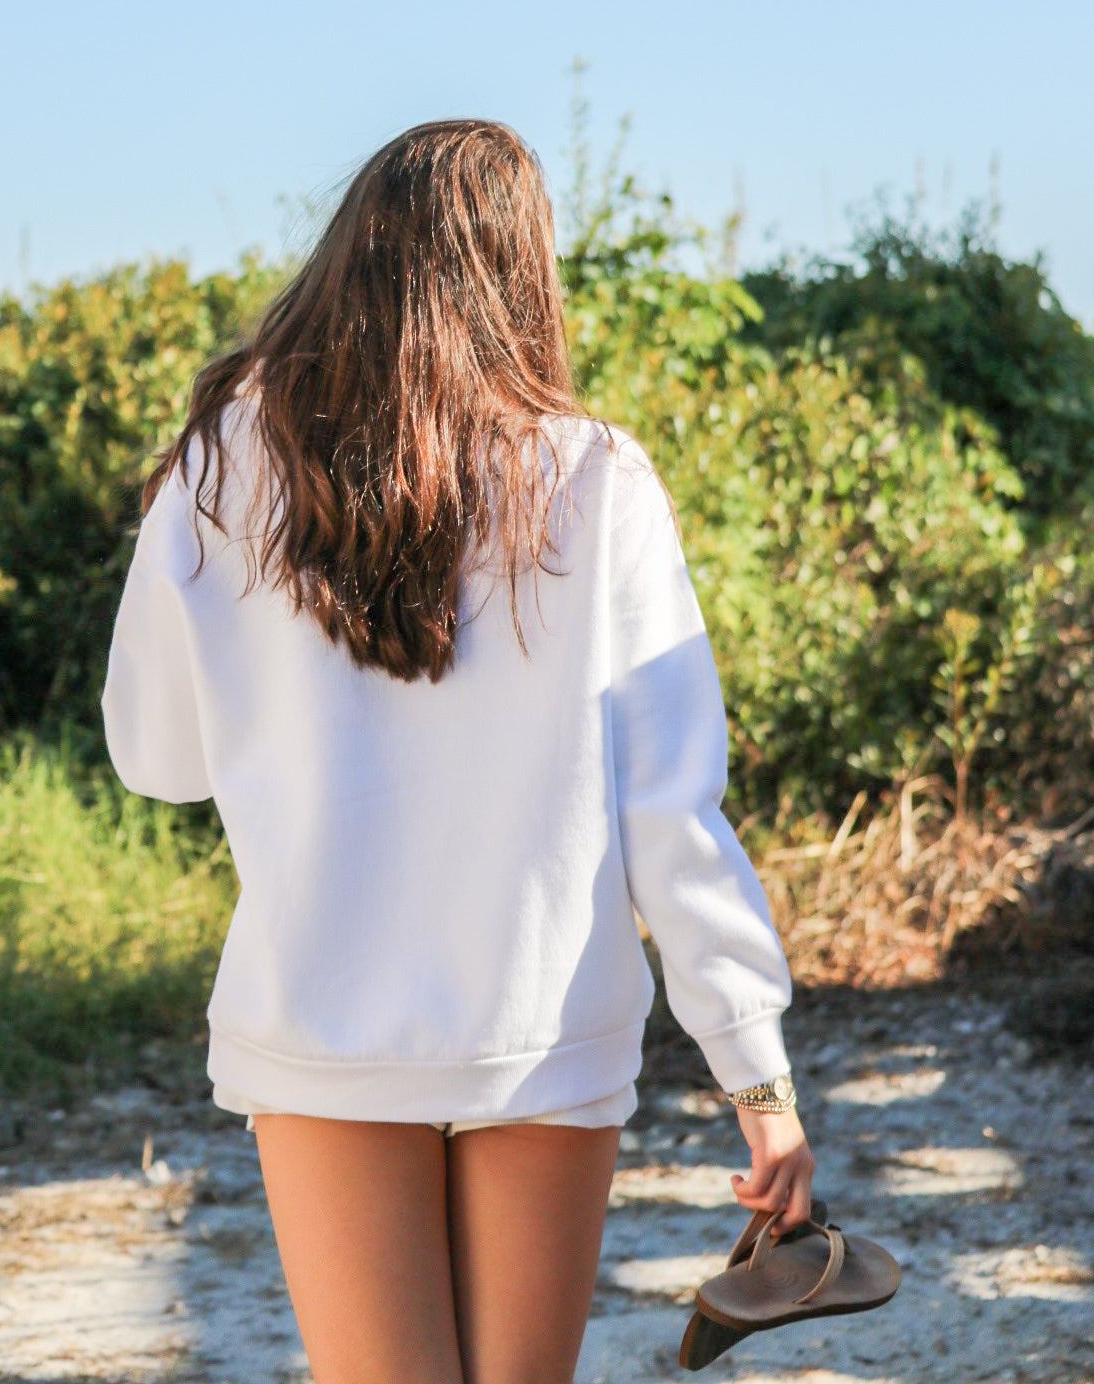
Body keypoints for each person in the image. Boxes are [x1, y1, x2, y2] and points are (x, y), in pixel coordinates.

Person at [100, 118, 815, 1384]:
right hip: (541, 1032)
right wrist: (756, 1083)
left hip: (319, 1028)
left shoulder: (220, 466)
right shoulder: (596, 477)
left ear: (346, 259)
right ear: (520, 276)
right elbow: (671, 818)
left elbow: (157, 761)